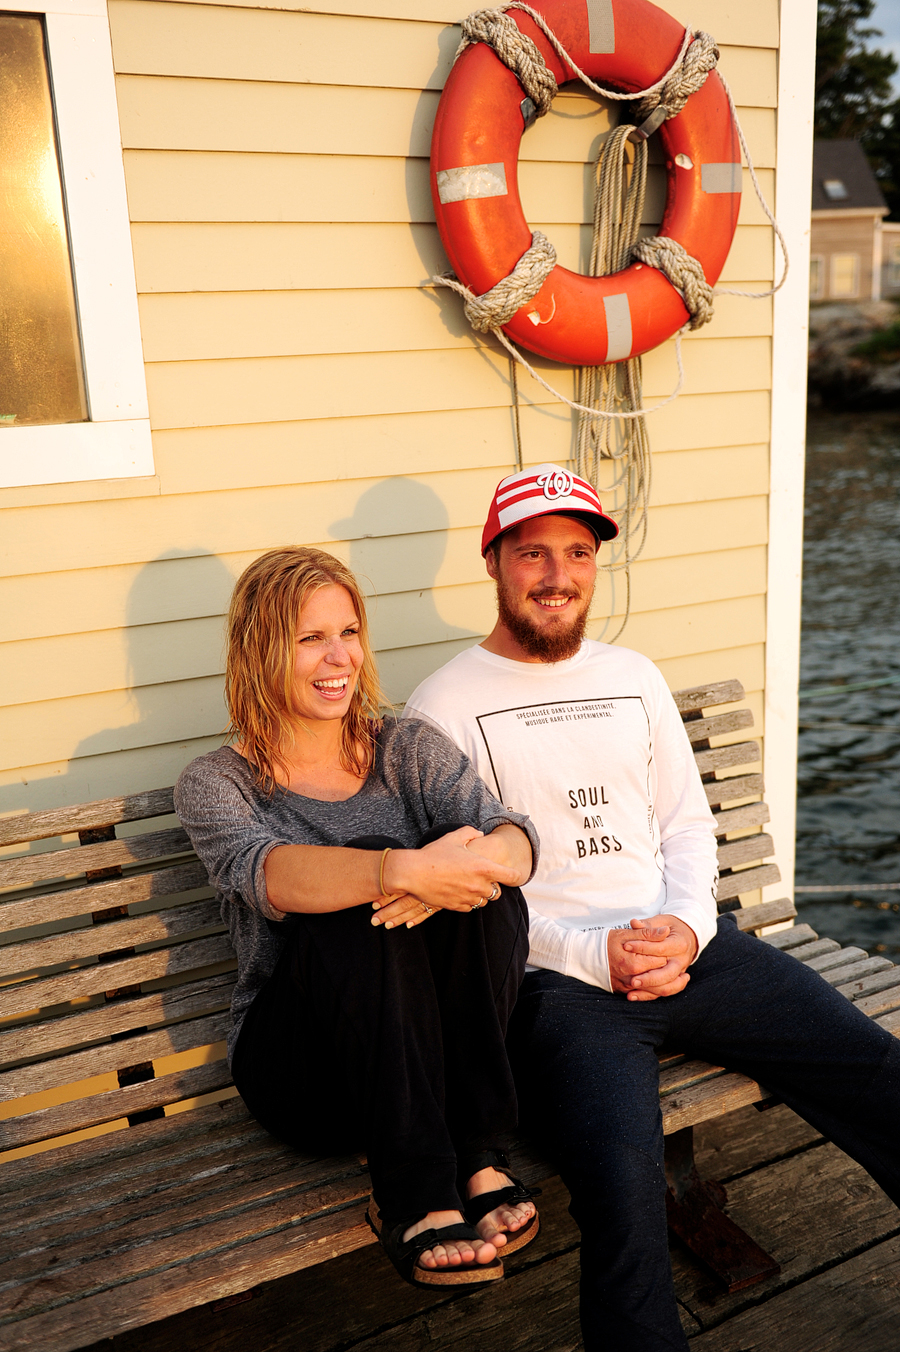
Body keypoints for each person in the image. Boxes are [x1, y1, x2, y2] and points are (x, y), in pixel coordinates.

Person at [405, 463, 900, 1348]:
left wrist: (687, 925)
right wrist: (596, 957)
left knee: (879, 1074)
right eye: (533, 553)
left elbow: (685, 823)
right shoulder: (442, 708)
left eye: (578, 554)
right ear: (493, 563)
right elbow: (467, 907)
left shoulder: (633, 675)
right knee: (622, 1189)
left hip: (689, 948)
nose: (558, 576)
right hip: (557, 982)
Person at [174, 546, 540, 1289]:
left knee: (488, 883)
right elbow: (268, 873)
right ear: (260, 651)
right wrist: (399, 870)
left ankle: (477, 1152)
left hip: (427, 1065)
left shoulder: (403, 747)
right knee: (361, 874)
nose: (337, 656)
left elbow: (515, 845)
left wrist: (462, 867)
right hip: (307, 1078)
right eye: (310, 638)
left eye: (348, 632)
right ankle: (414, 1192)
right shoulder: (218, 782)